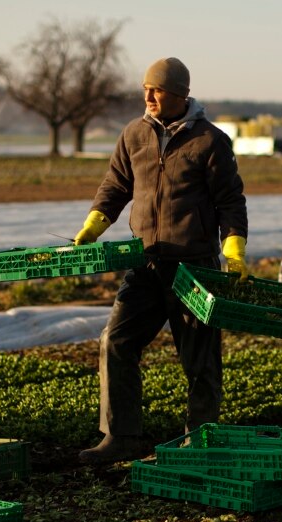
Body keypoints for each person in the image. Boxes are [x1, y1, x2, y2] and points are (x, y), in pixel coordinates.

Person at [73, 57, 249, 464]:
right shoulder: (134, 134)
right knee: (116, 340)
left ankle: (199, 439)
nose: (149, 97)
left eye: (158, 91)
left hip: (195, 268)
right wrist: (94, 224)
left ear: (181, 95)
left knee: (199, 358)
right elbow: (116, 185)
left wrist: (234, 249)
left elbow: (229, 201)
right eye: (146, 89)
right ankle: (120, 436)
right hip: (146, 263)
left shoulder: (209, 141)